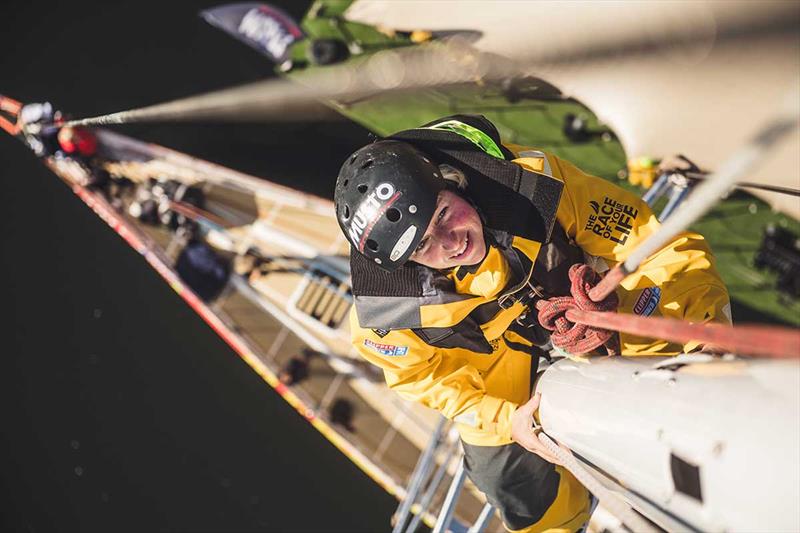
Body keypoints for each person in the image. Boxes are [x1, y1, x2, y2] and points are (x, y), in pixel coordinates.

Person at [333, 115, 731, 532]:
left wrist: (702, 332)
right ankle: (570, 519)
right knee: (512, 486)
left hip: (592, 304)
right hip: (496, 374)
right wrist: (508, 421)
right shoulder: (388, 317)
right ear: (405, 262)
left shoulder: (532, 187)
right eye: (424, 246)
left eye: (444, 215)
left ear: (453, 181)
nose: (452, 243)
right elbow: (423, 378)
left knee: (662, 317)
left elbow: (653, 248)